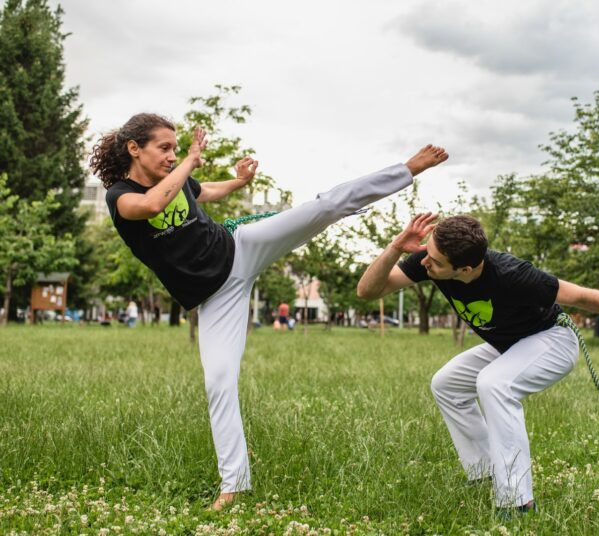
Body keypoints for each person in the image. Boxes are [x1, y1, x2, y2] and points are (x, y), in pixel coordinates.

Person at [89, 112, 448, 510]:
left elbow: (203, 190)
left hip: (241, 247)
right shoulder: (120, 196)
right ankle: (234, 485)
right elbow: (154, 204)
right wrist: (190, 158)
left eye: (175, 148)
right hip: (215, 298)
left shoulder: (178, 178)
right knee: (219, 384)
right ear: (133, 148)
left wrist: (239, 182)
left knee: (327, 205)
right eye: (164, 148)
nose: (172, 156)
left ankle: (407, 169)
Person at [356, 213, 599, 515]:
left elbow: (584, 297)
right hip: (509, 344)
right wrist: (394, 249)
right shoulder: (429, 260)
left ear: (464, 269)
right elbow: (368, 292)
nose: (424, 263)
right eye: (426, 255)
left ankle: (516, 500)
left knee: (494, 384)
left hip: (552, 340)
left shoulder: (513, 274)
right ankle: (485, 472)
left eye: (433, 261)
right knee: (446, 384)